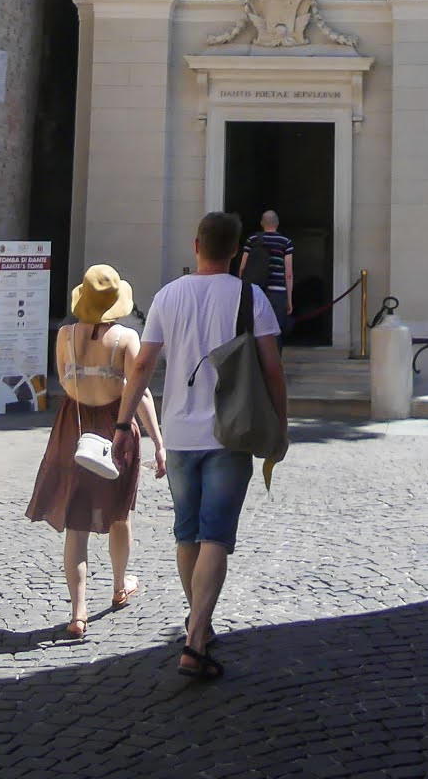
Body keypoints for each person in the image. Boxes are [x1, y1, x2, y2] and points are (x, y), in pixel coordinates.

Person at [115, 211, 287, 680]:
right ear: (235, 252)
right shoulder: (250, 297)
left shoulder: (169, 295)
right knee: (216, 536)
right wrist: (281, 422)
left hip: (179, 435)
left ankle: (199, 624)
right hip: (231, 433)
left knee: (187, 532)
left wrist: (122, 423)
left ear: (196, 245)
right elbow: (272, 368)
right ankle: (195, 639)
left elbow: (143, 366)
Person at [26, 264, 164, 638]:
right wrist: (159, 442)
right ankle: (120, 586)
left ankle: (78, 612)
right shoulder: (126, 339)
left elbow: (64, 378)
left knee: (77, 520)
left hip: (74, 426)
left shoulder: (64, 335)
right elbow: (142, 394)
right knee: (120, 514)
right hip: (115, 424)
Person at [241, 211, 295, 340]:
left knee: (253, 331)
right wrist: (289, 300)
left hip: (255, 290)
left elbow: (243, 267)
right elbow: (288, 273)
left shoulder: (252, 240)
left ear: (261, 223)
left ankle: (256, 360)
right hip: (278, 293)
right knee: (275, 332)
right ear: (277, 224)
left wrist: (242, 291)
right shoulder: (285, 242)